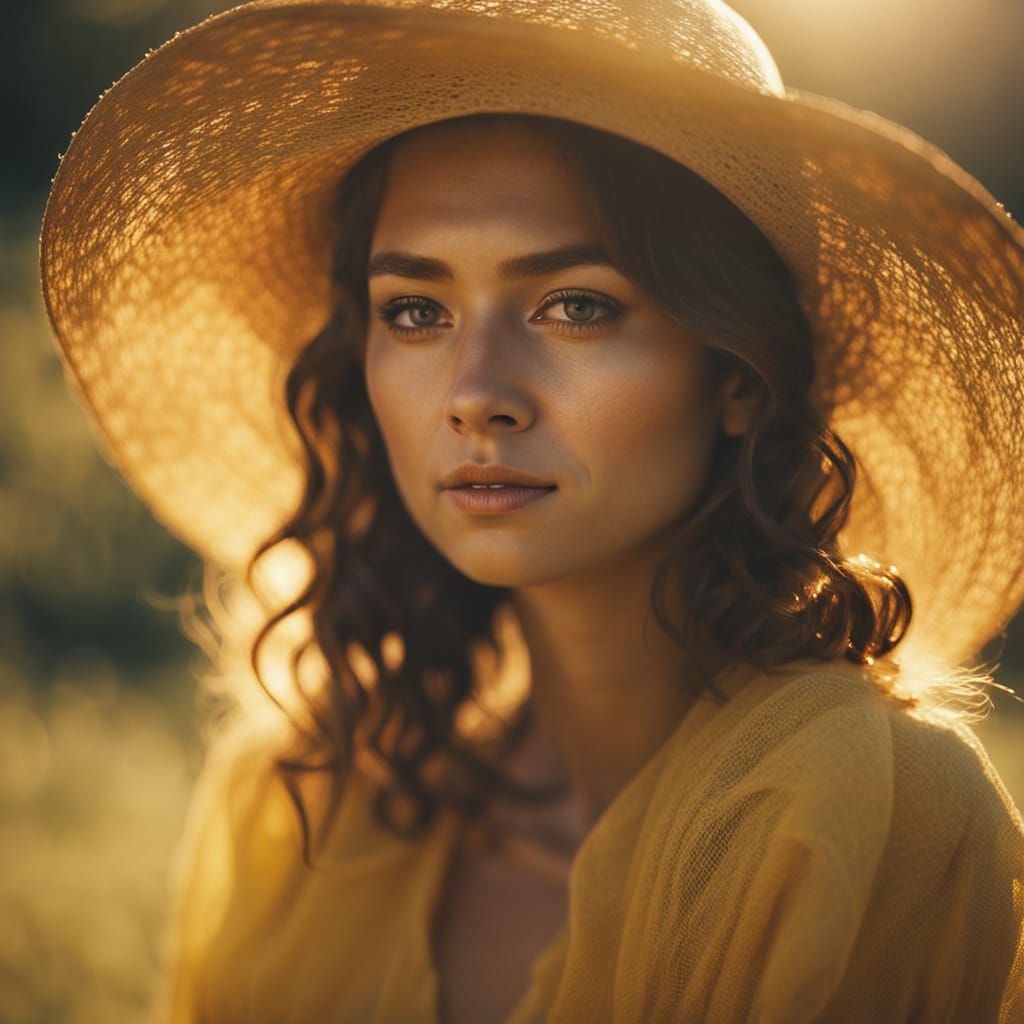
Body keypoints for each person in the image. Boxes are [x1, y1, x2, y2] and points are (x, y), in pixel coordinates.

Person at [39, 1, 1024, 1021]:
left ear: (737, 372)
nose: (475, 391)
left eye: (575, 305)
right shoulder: (304, 803)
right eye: (415, 311)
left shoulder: (863, 819)